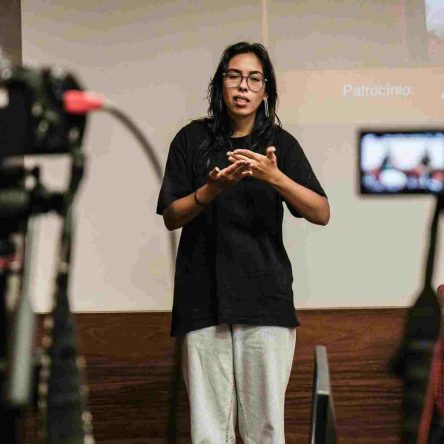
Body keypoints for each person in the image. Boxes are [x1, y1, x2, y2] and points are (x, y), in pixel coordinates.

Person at [156, 42, 330, 443]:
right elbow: (170, 216)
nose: (243, 86)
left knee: (264, 430)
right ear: (220, 84)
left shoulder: (279, 146)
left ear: (266, 91)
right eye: (234, 76)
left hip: (265, 301)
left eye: (254, 79)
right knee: (208, 431)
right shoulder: (191, 139)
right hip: (202, 301)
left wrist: (275, 177)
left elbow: (321, 211)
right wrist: (211, 189)